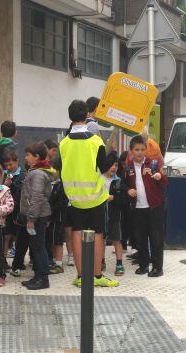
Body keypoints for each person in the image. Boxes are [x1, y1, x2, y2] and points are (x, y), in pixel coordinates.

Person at [57, 99, 119, 288]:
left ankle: (81, 276)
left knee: (77, 233)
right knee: (98, 234)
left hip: (74, 199)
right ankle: (97, 276)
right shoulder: (96, 141)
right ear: (86, 116)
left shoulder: (63, 143)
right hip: (95, 197)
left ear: (70, 117)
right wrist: (112, 153)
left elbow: (60, 168)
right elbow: (103, 168)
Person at [126, 135, 168, 277]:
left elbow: (165, 183)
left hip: (155, 206)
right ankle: (143, 265)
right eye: (137, 149)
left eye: (142, 149)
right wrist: (128, 190)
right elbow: (123, 185)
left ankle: (157, 268)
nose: (140, 152)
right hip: (137, 208)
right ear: (131, 150)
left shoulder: (154, 164)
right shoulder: (128, 166)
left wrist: (159, 177)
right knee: (140, 238)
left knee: (156, 238)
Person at [20, 142, 54, 290]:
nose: (26, 158)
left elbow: (37, 197)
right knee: (35, 246)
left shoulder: (39, 173)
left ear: (36, 157)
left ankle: (44, 278)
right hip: (36, 215)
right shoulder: (36, 170)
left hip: (38, 216)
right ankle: (37, 276)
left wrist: (31, 218)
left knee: (39, 247)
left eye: (28, 155)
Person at [1, 150, 27, 278]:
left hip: (18, 210)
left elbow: (22, 192)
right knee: (6, 236)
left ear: (17, 161)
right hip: (7, 211)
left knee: (18, 237)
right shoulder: (4, 174)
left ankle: (18, 260)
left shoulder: (22, 175)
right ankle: (3, 260)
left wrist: (12, 185)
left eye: (11, 164)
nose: (8, 167)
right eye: (6, 165)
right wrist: (4, 186)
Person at [103, 153, 128, 276]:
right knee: (100, 240)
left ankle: (119, 264)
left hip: (115, 216)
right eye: (111, 165)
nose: (114, 167)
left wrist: (114, 198)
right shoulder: (99, 179)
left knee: (117, 240)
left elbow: (124, 200)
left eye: (116, 165)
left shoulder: (119, 181)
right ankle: (101, 261)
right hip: (101, 216)